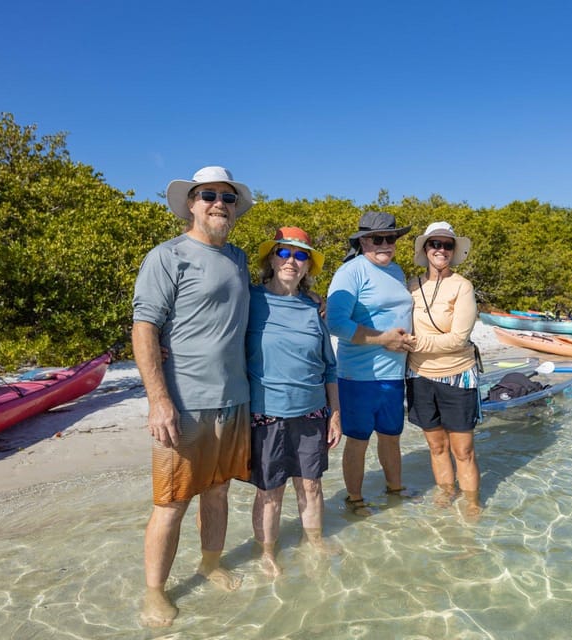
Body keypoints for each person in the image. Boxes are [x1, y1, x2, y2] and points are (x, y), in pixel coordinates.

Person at [132, 165, 254, 627]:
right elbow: (144, 327)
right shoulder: (166, 256)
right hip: (183, 403)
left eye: (227, 197)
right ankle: (155, 591)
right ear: (191, 203)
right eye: (209, 195)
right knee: (171, 503)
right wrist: (158, 401)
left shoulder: (240, 259)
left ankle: (210, 563)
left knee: (219, 492)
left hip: (234, 398)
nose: (219, 203)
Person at [246, 227, 342, 576]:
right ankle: (267, 552)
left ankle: (313, 541)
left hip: (313, 412)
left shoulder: (315, 308)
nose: (291, 261)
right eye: (284, 253)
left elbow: (330, 367)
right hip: (266, 414)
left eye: (301, 255)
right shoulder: (249, 299)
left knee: (311, 485)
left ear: (307, 266)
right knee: (270, 491)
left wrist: (335, 414)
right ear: (271, 259)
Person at [326, 211, 414, 515]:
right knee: (358, 440)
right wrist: (384, 340)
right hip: (358, 377)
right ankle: (354, 499)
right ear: (363, 241)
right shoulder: (350, 272)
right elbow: (336, 323)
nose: (385, 244)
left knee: (392, 436)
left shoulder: (397, 271)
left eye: (391, 238)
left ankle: (395, 491)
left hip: (394, 375)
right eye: (377, 239)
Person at [405, 222, 482, 517]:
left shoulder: (463, 286)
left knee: (463, 450)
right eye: (435, 244)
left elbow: (458, 339)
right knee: (436, 446)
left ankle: (472, 503)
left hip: (457, 374)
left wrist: (413, 344)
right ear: (425, 249)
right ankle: (446, 492)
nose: (441, 250)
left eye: (447, 245)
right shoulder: (411, 285)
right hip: (419, 376)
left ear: (453, 251)